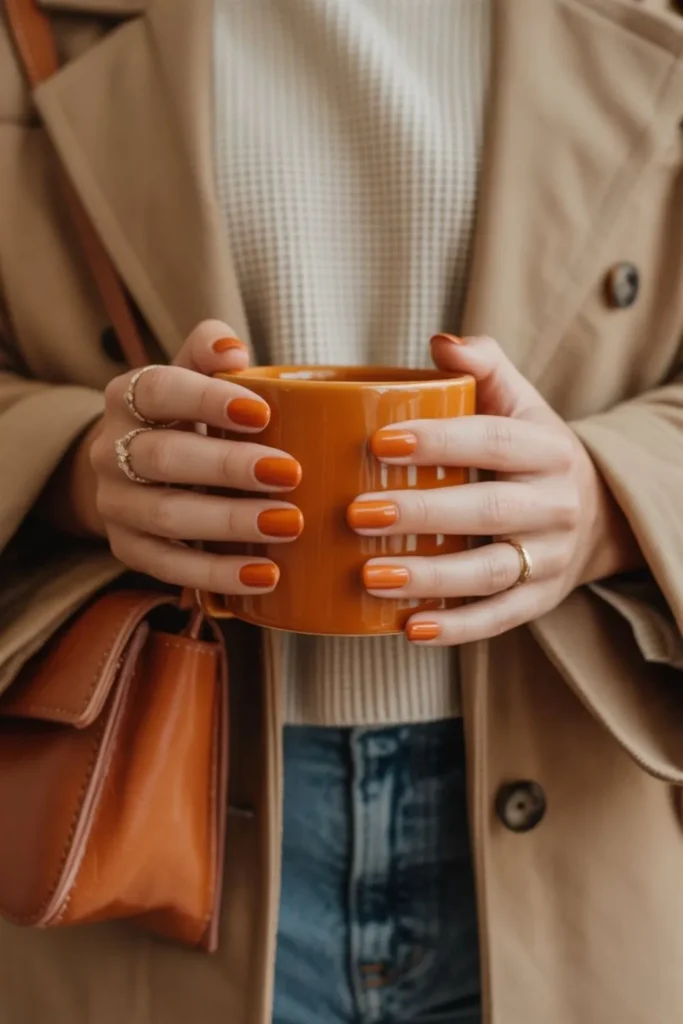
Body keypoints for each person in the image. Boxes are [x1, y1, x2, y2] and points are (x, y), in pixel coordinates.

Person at [1, 0, 683, 1022]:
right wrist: (81, 468)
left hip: (589, 785)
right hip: (135, 807)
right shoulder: (32, 22)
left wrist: (605, 498)